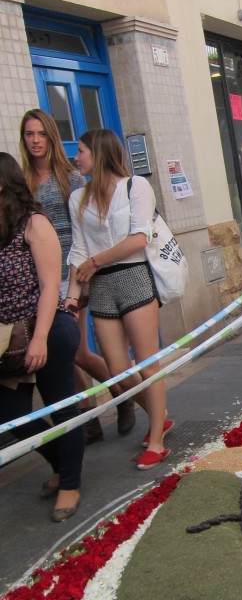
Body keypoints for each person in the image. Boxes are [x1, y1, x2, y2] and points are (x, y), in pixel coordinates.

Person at [19, 109, 135, 444]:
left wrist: (84, 273)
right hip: (41, 278)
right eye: (30, 134)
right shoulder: (23, 179)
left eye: (41, 133)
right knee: (61, 355)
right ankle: (88, 417)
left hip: (72, 271)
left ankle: (124, 393)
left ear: (51, 136)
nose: (36, 140)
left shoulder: (71, 176)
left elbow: (85, 226)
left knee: (79, 352)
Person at [67, 129, 172, 470]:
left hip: (133, 278)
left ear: (98, 154)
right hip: (101, 288)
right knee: (116, 371)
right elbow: (79, 249)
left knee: (147, 364)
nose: (76, 157)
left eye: (81, 151)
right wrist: (72, 296)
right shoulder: (77, 198)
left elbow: (139, 238)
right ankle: (159, 414)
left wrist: (96, 261)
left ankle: (156, 440)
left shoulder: (136, 186)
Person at [0, 153, 84, 521]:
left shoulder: (34, 223)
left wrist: (39, 339)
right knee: (12, 416)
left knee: (61, 405)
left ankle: (70, 484)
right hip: (7, 340)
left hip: (45, 330)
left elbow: (51, 285)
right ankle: (59, 462)